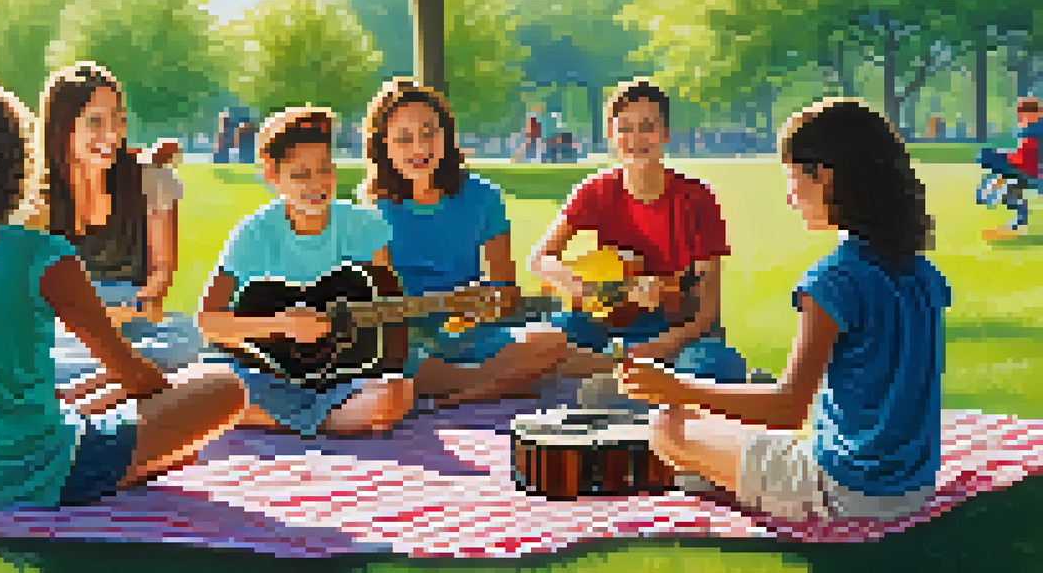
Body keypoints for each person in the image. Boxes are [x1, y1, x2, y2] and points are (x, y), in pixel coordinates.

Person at [0, 77, 246, 510]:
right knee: (222, 385)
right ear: (10, 162)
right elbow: (132, 374)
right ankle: (132, 461)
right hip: (37, 472)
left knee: (98, 398)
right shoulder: (40, 255)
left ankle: (134, 453)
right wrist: (168, 406)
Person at [620, 98, 946, 522]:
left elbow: (789, 409)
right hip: (913, 486)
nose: (790, 199)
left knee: (666, 427)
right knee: (725, 423)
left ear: (824, 177)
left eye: (792, 181)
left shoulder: (834, 280)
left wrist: (675, 389)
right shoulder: (922, 272)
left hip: (846, 490)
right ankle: (716, 472)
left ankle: (712, 477)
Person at [197, 106, 416, 436]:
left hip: (345, 374)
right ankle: (318, 420)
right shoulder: (253, 233)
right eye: (301, 174)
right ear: (273, 176)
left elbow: (390, 309)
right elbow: (209, 322)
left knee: (396, 394)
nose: (317, 184)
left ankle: (276, 418)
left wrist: (387, 368)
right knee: (207, 383)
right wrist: (282, 325)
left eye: (325, 170)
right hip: (265, 374)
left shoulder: (365, 227)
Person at [357, 79, 569, 407]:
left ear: (446, 135)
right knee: (389, 362)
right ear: (383, 146)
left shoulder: (483, 197)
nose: (419, 148)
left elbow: (508, 293)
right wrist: (445, 302)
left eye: (430, 132)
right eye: (404, 138)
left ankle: (470, 388)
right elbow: (386, 310)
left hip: (471, 336)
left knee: (551, 340)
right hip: (410, 342)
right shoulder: (373, 210)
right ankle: (487, 384)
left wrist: (488, 302)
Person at [528, 79, 749, 383]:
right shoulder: (595, 191)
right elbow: (539, 259)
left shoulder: (697, 199)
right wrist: (583, 287)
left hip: (678, 334)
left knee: (714, 364)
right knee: (540, 339)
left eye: (648, 126)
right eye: (625, 128)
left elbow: (706, 315)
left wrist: (641, 352)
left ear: (666, 134)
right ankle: (633, 380)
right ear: (611, 136)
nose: (636, 138)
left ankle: (612, 375)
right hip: (606, 325)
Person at [30, 63, 206, 389]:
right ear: (62, 128)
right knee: (36, 354)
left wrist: (138, 305)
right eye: (96, 121)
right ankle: (118, 384)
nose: (111, 134)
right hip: (67, 325)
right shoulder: (38, 200)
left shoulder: (151, 180)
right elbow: (31, 291)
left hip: (133, 318)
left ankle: (94, 386)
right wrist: (85, 319)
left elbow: (162, 270)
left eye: (118, 120)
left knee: (188, 343)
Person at [977, 96, 1041, 240]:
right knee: (1004, 183)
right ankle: (1017, 212)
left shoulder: (1033, 129)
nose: (1019, 116)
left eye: (1021, 112)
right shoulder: (1031, 128)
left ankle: (1014, 207)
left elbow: (1027, 159)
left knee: (985, 157)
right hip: (1025, 170)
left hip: (1029, 171)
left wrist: (1006, 158)